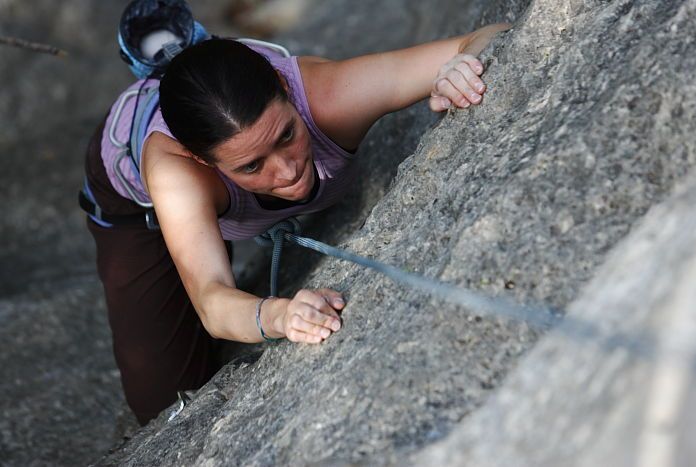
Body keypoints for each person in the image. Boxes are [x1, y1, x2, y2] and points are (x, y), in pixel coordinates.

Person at [83, 22, 510, 425]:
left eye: (287, 135)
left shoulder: (329, 97)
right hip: (127, 195)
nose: (287, 172)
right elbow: (211, 301)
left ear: (286, 89)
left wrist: (461, 70)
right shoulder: (178, 173)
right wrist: (279, 316)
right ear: (201, 163)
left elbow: (485, 36)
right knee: (162, 401)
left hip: (224, 103)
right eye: (253, 165)